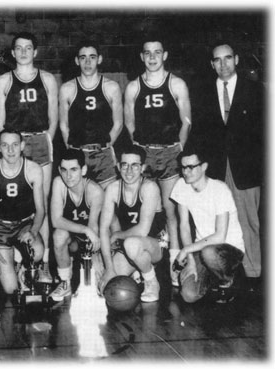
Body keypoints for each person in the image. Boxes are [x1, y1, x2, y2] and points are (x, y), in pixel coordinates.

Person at [190, 42, 264, 289]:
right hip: (216, 167)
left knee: (249, 221)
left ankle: (253, 274)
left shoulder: (255, 90)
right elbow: (198, 133)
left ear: (237, 59)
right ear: (212, 64)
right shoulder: (202, 93)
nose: (223, 64)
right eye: (217, 60)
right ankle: (223, 275)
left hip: (246, 167)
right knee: (217, 223)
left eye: (228, 58)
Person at [123, 35, 191, 286]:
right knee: (146, 212)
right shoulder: (133, 87)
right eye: (147, 53)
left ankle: (175, 265)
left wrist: (179, 148)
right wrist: (138, 149)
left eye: (157, 52)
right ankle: (142, 265)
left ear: (165, 55)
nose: (152, 57)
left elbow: (186, 121)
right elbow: (129, 122)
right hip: (145, 153)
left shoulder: (177, 84)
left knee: (171, 211)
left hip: (170, 152)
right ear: (142, 57)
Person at [0, 32, 58, 283]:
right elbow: (0, 122)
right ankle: (20, 256)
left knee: (41, 200)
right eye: (18, 48)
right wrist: (12, 145)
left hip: (40, 140)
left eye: (28, 48)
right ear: (12, 53)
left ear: (35, 52)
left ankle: (43, 264)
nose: (23, 52)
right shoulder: (4, 81)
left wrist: (45, 140)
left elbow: (53, 118)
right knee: (17, 198)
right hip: (13, 142)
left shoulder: (48, 79)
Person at [170, 145, 244, 303]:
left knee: (209, 253)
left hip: (229, 249)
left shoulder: (220, 189)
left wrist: (185, 250)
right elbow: (184, 226)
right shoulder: (181, 185)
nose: (186, 172)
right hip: (201, 249)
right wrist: (190, 261)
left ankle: (228, 279)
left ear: (203, 167)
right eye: (183, 167)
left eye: (191, 167)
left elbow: (219, 236)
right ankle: (212, 278)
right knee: (188, 295)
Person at [0, 129, 45, 297]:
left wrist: (33, 231)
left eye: (15, 145)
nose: (10, 150)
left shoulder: (34, 169)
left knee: (36, 252)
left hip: (24, 225)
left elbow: (40, 210)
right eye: (5, 145)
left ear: (22, 146)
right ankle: (12, 258)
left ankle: (23, 265)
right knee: (11, 290)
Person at [98, 145, 167, 302]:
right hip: (129, 246)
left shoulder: (149, 187)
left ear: (142, 167)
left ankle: (151, 280)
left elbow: (143, 230)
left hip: (156, 245)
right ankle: (137, 271)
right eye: (125, 165)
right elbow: (103, 230)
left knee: (132, 244)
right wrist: (109, 268)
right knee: (107, 288)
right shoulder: (113, 189)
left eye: (135, 166)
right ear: (118, 167)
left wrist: (117, 235)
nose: (129, 171)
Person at [59, 40, 123, 189]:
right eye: (83, 57)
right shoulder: (67, 88)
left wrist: (105, 146)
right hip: (78, 153)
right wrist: (72, 150)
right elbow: (63, 125)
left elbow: (118, 123)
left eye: (92, 57)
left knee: (108, 204)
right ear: (76, 61)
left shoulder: (111, 87)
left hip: (103, 155)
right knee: (82, 202)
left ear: (99, 59)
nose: (87, 62)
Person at [49, 148, 104, 301]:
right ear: (59, 170)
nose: (68, 175)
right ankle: (65, 282)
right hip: (74, 238)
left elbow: (94, 229)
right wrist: (84, 229)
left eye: (74, 169)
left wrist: (96, 259)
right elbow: (56, 220)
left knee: (96, 286)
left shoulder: (94, 191)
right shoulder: (58, 183)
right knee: (59, 235)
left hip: (92, 240)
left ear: (83, 170)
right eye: (64, 170)